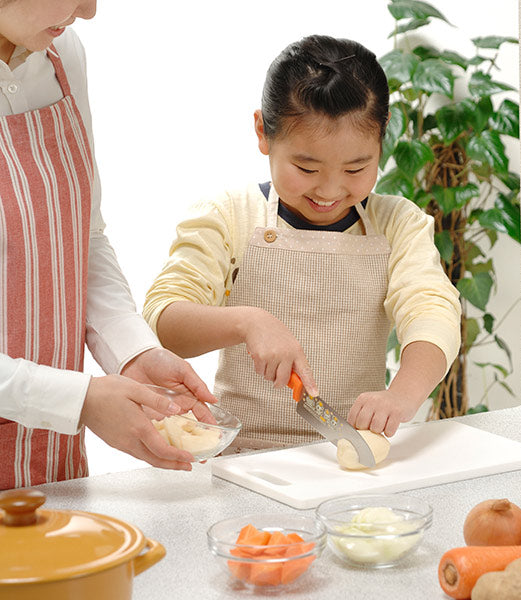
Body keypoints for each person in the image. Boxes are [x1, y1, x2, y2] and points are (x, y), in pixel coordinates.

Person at [143, 35, 461, 451]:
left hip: (351, 450)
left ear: (383, 136)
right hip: (243, 456)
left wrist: (400, 396)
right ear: (263, 132)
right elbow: (163, 319)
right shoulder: (228, 216)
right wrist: (248, 321)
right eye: (306, 167)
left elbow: (431, 311)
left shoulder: (398, 224)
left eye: (356, 168)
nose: (330, 190)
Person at [0, 0, 217, 491]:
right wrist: (79, 400)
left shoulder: (62, 53)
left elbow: (80, 237)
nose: (90, 11)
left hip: (50, 462)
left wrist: (132, 352)